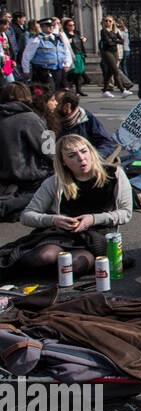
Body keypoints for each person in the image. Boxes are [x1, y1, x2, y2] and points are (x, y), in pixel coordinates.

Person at [0, 135, 132, 281]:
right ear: (63, 162)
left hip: (95, 236)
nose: (81, 158)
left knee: (74, 265)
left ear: (91, 151)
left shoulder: (114, 174)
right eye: (72, 156)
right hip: (61, 235)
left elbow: (126, 213)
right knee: (42, 257)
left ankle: (66, 269)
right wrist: (53, 220)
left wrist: (93, 219)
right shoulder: (55, 181)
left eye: (84, 151)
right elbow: (27, 216)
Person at [0, 82, 56, 221]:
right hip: (29, 176)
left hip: (4, 176)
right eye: (53, 100)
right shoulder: (30, 118)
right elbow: (50, 151)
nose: (56, 103)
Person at [53, 90, 117, 159]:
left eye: (57, 102)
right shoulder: (49, 119)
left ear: (67, 106)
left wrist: (93, 157)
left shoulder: (86, 118)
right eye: (52, 101)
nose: (54, 104)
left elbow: (106, 143)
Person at [21, 17, 71, 89]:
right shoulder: (36, 39)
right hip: (44, 71)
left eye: (52, 25)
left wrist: (67, 63)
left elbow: (66, 51)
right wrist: (26, 70)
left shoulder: (58, 38)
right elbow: (26, 56)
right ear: (42, 27)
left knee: (59, 91)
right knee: (49, 90)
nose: (51, 27)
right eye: (48, 26)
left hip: (58, 70)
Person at [98, 15, 133, 96]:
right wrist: (115, 40)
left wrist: (113, 40)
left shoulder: (114, 31)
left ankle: (105, 90)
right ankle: (123, 90)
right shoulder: (103, 31)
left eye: (110, 21)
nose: (108, 22)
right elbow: (107, 42)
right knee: (116, 70)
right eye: (106, 21)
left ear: (113, 22)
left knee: (110, 72)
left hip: (115, 52)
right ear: (103, 22)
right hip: (107, 52)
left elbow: (122, 41)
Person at [63, 18, 88, 96]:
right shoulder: (65, 34)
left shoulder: (76, 33)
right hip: (72, 54)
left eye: (73, 25)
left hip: (79, 53)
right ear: (66, 26)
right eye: (70, 25)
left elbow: (80, 42)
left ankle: (78, 89)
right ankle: (69, 86)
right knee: (74, 72)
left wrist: (83, 40)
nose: (72, 26)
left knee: (79, 72)